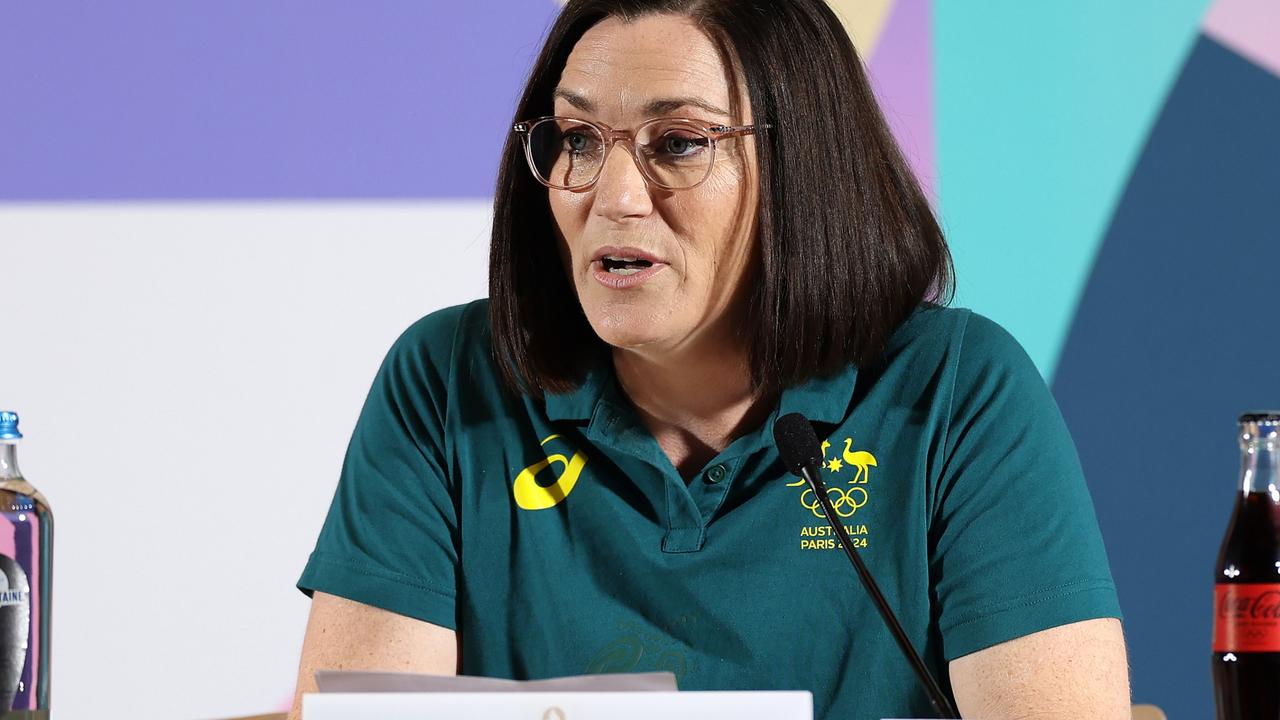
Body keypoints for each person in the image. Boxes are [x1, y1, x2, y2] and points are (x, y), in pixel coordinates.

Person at [288, 1, 1131, 718]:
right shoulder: (447, 381)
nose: (611, 194)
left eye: (679, 142)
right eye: (578, 138)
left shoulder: (956, 390)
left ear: (805, 169)